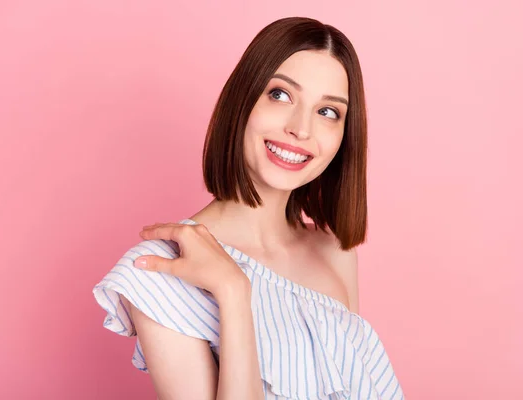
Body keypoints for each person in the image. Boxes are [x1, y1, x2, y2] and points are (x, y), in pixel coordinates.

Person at [93, 16, 405, 400]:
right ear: (242, 101)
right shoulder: (160, 268)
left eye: (328, 112)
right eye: (280, 95)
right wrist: (233, 292)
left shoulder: (334, 251)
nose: (301, 129)